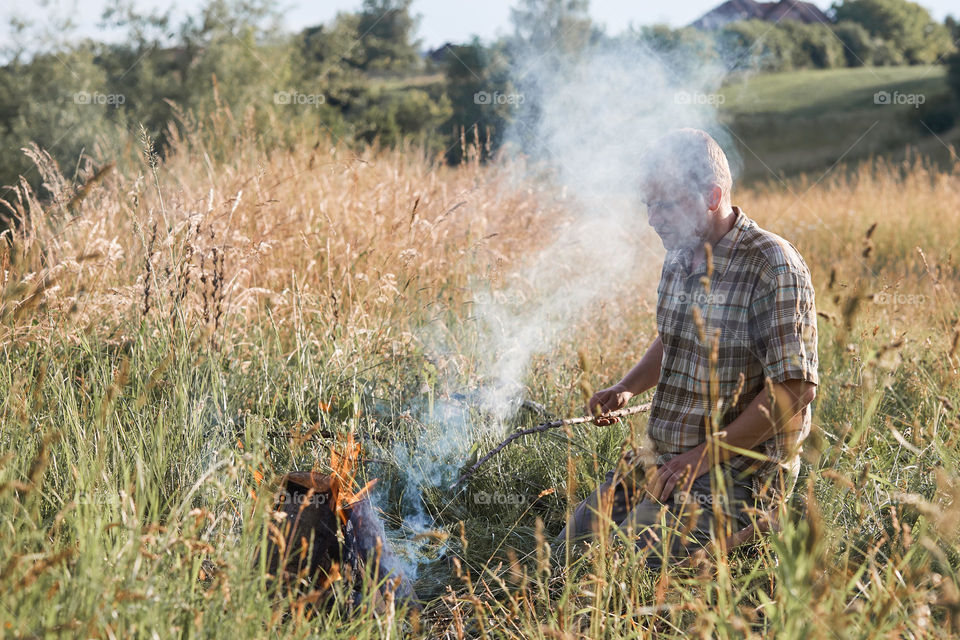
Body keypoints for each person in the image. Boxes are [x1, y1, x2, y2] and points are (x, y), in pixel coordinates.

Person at [558, 128, 819, 568]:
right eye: (649, 204)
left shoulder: (773, 265)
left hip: (734, 473)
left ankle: (758, 526)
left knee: (625, 571)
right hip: (661, 462)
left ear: (712, 197)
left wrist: (701, 458)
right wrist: (627, 387)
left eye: (667, 203)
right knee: (567, 549)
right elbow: (674, 336)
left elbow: (794, 390)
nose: (653, 219)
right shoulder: (681, 254)